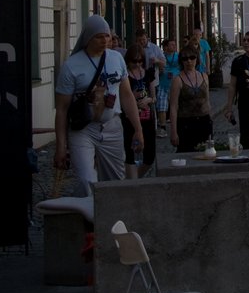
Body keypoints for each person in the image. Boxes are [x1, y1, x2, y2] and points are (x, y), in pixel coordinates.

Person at [54, 15, 144, 195]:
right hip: (83, 129)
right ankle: (90, 218)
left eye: (107, 36)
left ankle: (112, 218)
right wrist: (61, 146)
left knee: (115, 180)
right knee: (86, 180)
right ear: (88, 38)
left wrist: (138, 128)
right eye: (99, 36)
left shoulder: (117, 59)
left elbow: (126, 95)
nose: (105, 40)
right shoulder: (71, 66)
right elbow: (62, 109)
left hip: (112, 126)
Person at [122, 45, 157, 178]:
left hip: (146, 117)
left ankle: (135, 179)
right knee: (129, 153)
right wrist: (133, 99)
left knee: (150, 155)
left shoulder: (148, 72)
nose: (137, 64)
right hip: (129, 118)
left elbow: (154, 97)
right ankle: (133, 182)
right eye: (134, 61)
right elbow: (123, 97)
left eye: (140, 61)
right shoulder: (125, 75)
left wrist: (148, 100)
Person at [169, 46, 212, 152]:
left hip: (203, 120)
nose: (189, 61)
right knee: (186, 154)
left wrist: (210, 121)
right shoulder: (177, 80)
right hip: (185, 123)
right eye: (185, 58)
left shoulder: (204, 76)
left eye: (192, 57)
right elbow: (173, 107)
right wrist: (173, 131)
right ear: (181, 61)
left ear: (197, 58)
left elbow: (207, 100)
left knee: (206, 153)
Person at [156, 38, 180, 138]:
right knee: (162, 106)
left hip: (175, 84)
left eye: (174, 44)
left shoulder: (178, 56)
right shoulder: (161, 57)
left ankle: (178, 126)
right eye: (171, 45)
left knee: (177, 105)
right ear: (165, 47)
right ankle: (163, 127)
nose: (174, 46)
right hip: (163, 84)